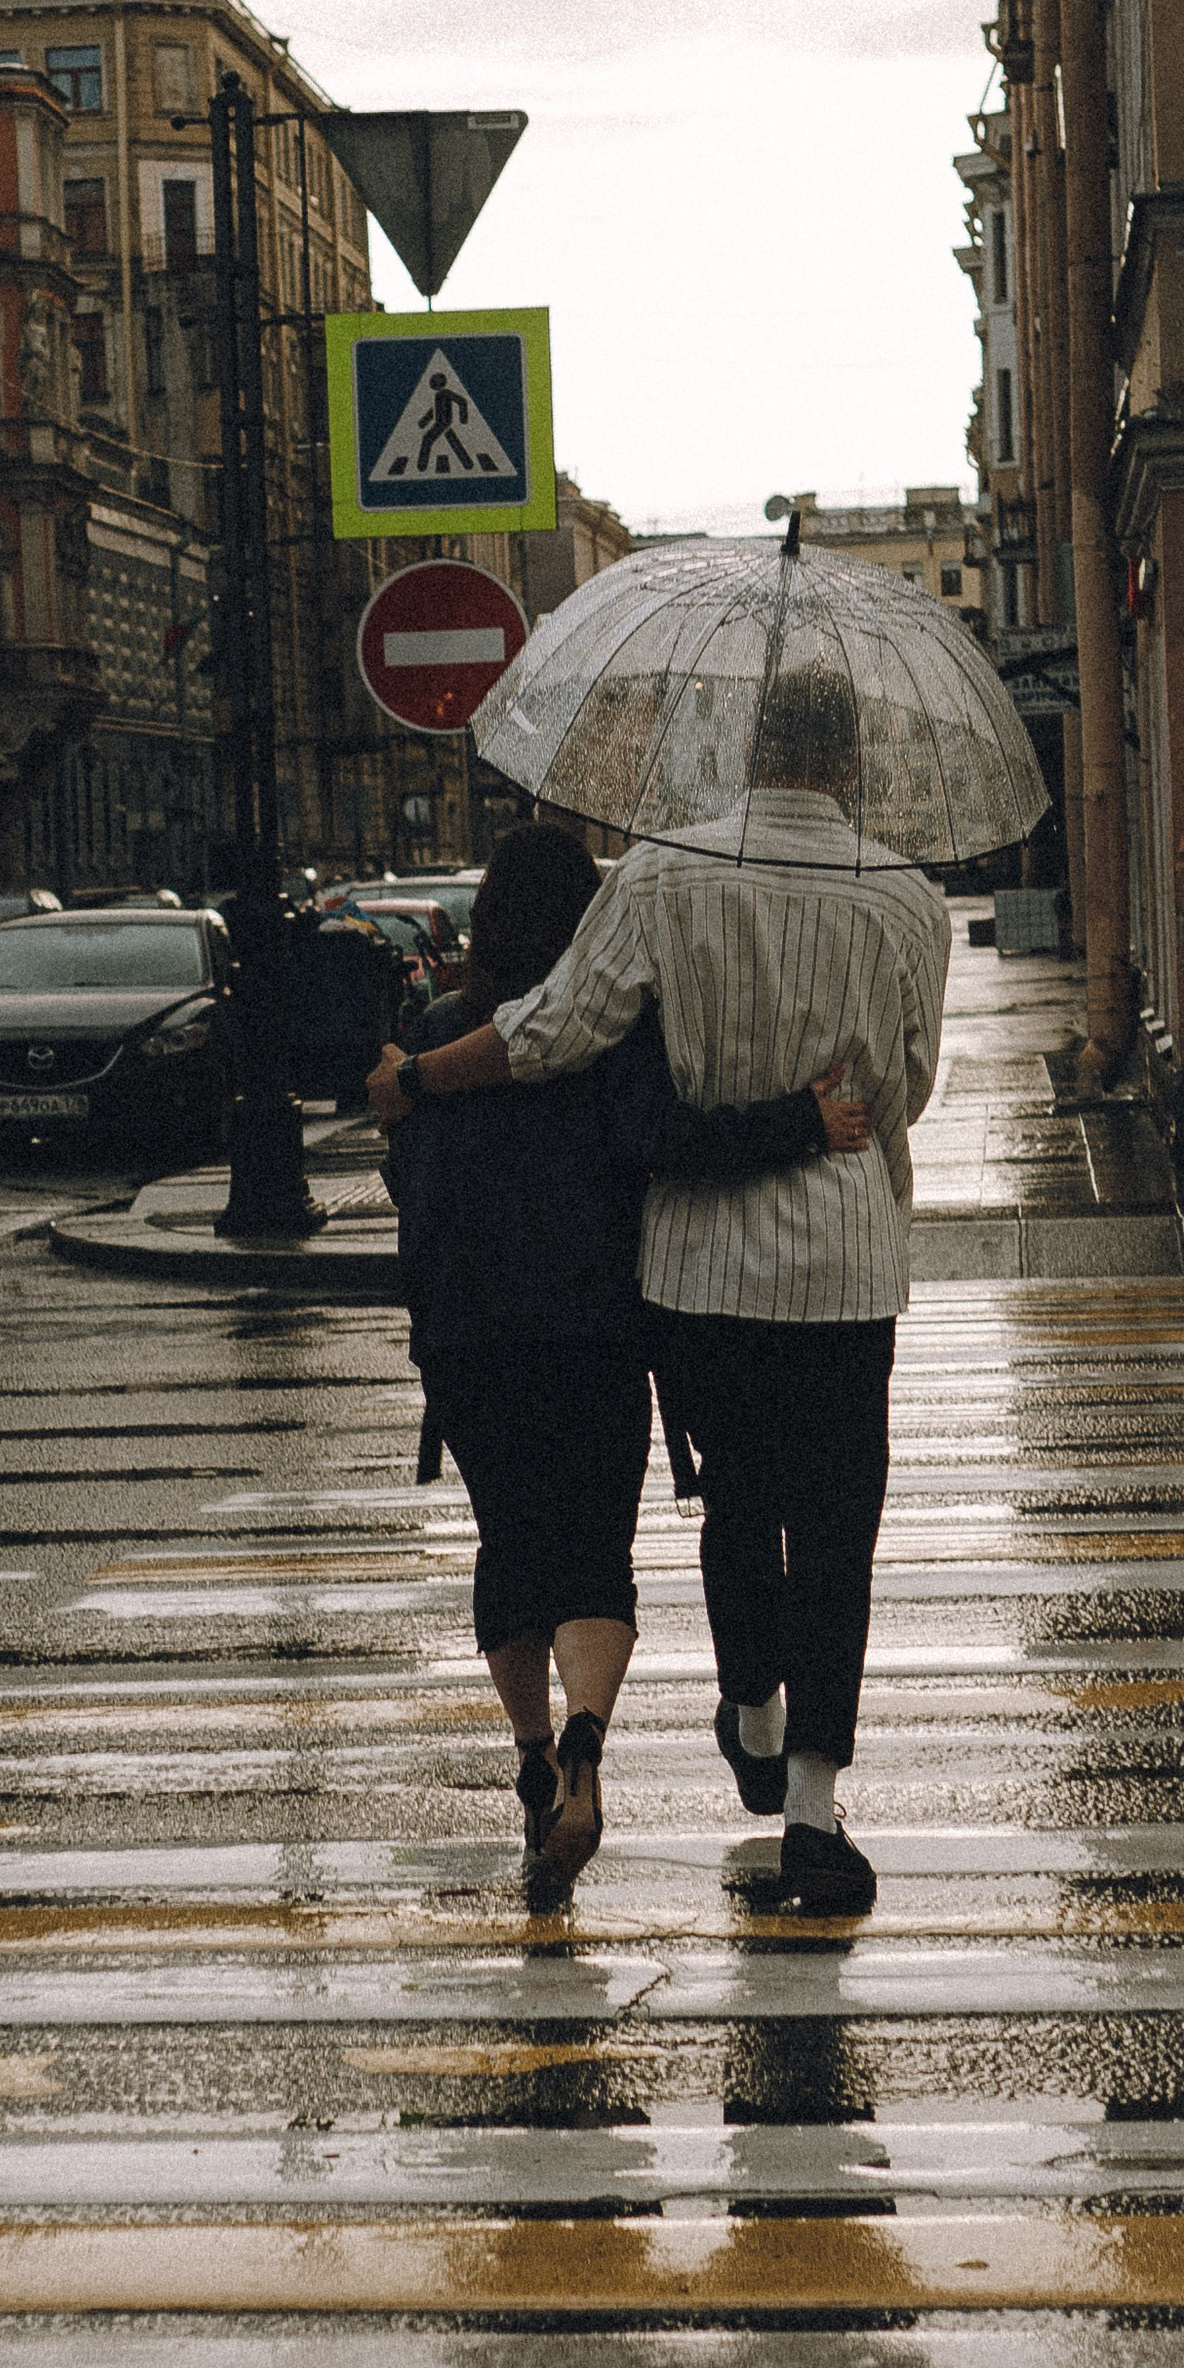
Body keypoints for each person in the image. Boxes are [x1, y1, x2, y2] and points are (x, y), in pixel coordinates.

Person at [371, 671, 948, 1914]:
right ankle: (811, 1815)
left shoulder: (661, 877)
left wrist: (418, 1078)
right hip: (848, 1264)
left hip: (699, 1267)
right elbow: (907, 1087)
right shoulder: (908, 898)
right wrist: (829, 1112)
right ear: (848, 766)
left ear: (748, 755)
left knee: (738, 1502)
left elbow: (552, 1031)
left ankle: (751, 1704)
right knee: (836, 1533)